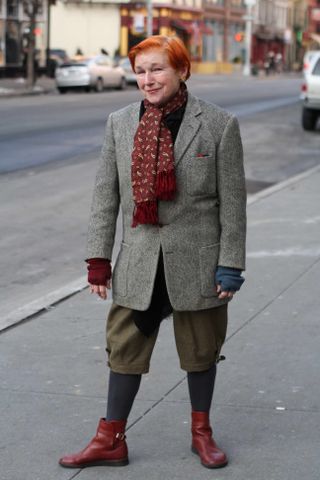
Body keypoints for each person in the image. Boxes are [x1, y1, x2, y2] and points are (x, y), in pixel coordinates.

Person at [59, 35, 246, 470]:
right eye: (140, 71)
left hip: (198, 258)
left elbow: (233, 203)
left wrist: (231, 265)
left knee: (201, 349)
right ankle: (110, 440)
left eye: (157, 69)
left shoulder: (218, 124)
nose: (147, 79)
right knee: (123, 347)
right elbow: (106, 196)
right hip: (141, 257)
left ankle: (202, 434)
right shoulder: (120, 122)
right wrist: (98, 261)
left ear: (182, 70)